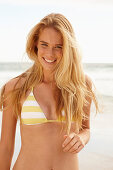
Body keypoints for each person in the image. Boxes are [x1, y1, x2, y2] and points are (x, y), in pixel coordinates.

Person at [0, 13, 98, 170]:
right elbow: (5, 147)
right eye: (44, 44)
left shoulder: (82, 84)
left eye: (58, 47)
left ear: (68, 49)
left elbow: (85, 129)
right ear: (35, 44)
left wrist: (81, 138)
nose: (50, 54)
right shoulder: (16, 87)